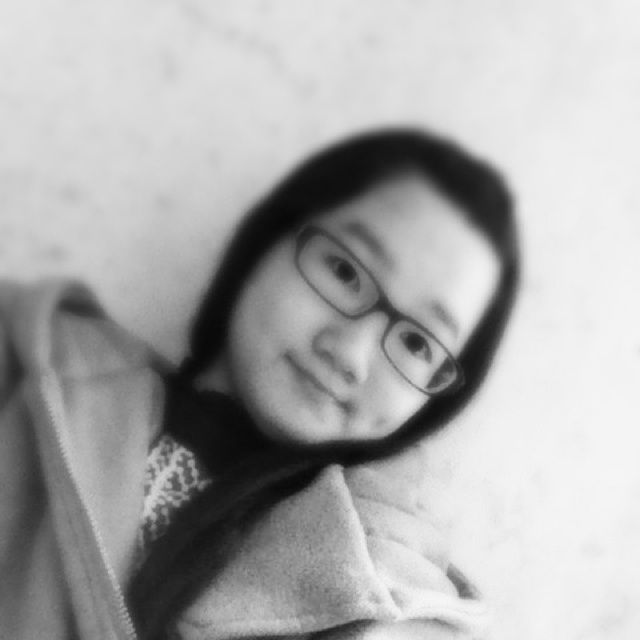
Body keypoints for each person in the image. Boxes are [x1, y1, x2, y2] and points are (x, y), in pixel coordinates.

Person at [0, 128, 519, 640]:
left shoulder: (387, 599)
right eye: (344, 271)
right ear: (269, 237)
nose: (349, 354)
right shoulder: (33, 363)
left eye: (417, 343)